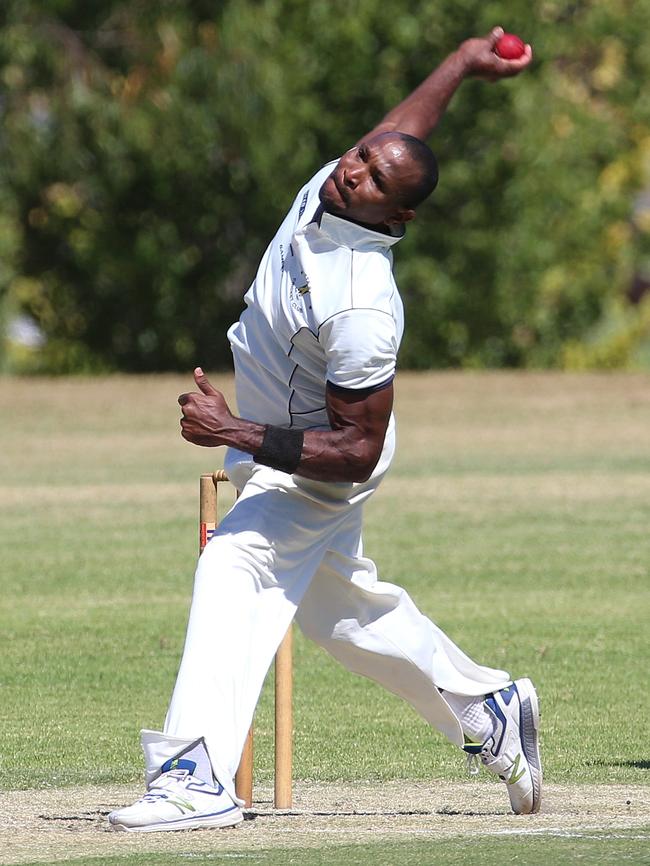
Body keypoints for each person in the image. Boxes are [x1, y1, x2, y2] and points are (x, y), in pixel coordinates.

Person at [109, 27, 540, 833]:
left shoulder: (360, 305)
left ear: (398, 214)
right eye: (359, 155)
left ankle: (193, 775)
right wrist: (462, 63)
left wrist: (233, 430)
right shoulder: (338, 186)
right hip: (276, 441)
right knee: (341, 616)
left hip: (315, 464)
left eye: (374, 175)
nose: (355, 167)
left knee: (234, 562)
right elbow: (401, 136)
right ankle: (489, 707)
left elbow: (357, 451)